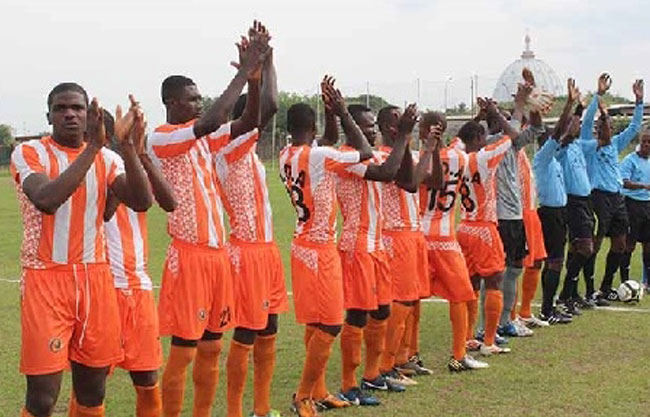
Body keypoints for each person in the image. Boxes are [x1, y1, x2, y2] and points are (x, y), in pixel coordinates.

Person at [148, 24, 270, 417]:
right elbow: (211, 121)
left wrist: (255, 78)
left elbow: (247, 122)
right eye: (192, 99)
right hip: (189, 258)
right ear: (170, 102)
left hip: (218, 258)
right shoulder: (162, 137)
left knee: (213, 346)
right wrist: (241, 73)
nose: (199, 104)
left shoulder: (202, 140)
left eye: (200, 98)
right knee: (184, 353)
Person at [11, 83, 152, 417]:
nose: (70, 114)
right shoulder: (31, 153)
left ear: (88, 113)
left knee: (92, 391)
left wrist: (128, 147)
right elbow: (46, 199)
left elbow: (142, 200)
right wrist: (92, 149)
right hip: (46, 279)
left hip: (95, 280)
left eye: (77, 107)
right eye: (61, 108)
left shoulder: (109, 158)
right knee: (43, 397)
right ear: (49, 116)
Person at [279, 81, 374, 416]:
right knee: (332, 323)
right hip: (318, 249)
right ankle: (302, 395)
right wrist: (343, 111)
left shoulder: (287, 154)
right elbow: (363, 151)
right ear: (312, 127)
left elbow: (328, 144)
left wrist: (332, 115)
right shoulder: (317, 156)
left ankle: (317, 391)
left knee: (317, 323)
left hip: (303, 244)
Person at [217, 23, 290, 417]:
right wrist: (259, 73)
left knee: (269, 330)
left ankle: (261, 409)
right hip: (245, 252)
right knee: (246, 333)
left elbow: (269, 106)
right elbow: (270, 106)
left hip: (267, 250)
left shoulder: (247, 151)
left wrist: (269, 59)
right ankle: (234, 411)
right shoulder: (227, 146)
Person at [333, 99, 420, 405]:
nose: (372, 132)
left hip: (378, 246)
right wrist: (405, 136)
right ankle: (348, 384)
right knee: (357, 315)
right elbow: (386, 173)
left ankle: (372, 375)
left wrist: (403, 140)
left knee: (382, 310)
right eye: (366, 127)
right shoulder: (345, 157)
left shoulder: (376, 155)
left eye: (373, 126)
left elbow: (408, 181)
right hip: (357, 247)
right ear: (351, 127)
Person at [102, 97, 177, 417]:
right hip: (102, 286)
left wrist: (140, 152)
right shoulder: (95, 166)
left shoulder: (129, 163)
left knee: (147, 376)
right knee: (91, 380)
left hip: (137, 285)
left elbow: (169, 203)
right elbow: (104, 212)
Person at [457, 97, 542, 356]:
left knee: (475, 280)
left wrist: (482, 115)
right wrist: (515, 104)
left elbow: (463, 137)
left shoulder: (457, 156)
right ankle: (488, 338)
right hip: (487, 225)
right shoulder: (488, 154)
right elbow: (513, 133)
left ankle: (473, 335)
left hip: (466, 225)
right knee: (493, 278)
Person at [418, 111, 489, 371]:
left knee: (411, 298)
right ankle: (458, 355)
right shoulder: (461, 157)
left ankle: (409, 354)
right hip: (445, 238)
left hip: (419, 235)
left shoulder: (418, 158)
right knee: (461, 294)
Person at [487, 70, 544, 338]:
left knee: (514, 268)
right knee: (497, 272)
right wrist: (519, 104)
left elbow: (536, 129)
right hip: (498, 216)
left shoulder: (510, 141)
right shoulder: (491, 143)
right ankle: (491, 325)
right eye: (497, 113)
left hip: (514, 215)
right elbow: (516, 129)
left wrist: (532, 105)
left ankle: (504, 320)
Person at [582, 77, 644, 302]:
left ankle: (606, 286)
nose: (605, 129)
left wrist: (639, 102)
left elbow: (635, 127)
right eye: (602, 126)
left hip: (617, 198)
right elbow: (587, 121)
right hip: (598, 197)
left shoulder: (616, 143)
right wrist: (598, 95)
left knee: (620, 243)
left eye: (607, 125)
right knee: (595, 243)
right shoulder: (590, 146)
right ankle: (589, 291)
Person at [534, 78, 581, 324]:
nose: (557, 138)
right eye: (553, 137)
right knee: (554, 261)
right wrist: (569, 104)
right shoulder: (543, 157)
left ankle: (548, 308)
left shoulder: (554, 159)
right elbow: (562, 129)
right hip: (550, 214)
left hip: (559, 213)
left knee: (555, 262)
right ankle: (546, 310)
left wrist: (577, 109)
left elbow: (567, 133)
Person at [619, 131, 650, 285]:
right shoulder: (629, 160)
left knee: (648, 244)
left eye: (649, 142)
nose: (646, 144)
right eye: (644, 141)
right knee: (629, 243)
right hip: (632, 204)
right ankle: (625, 280)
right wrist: (643, 185)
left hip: (648, 205)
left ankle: (647, 281)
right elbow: (624, 182)